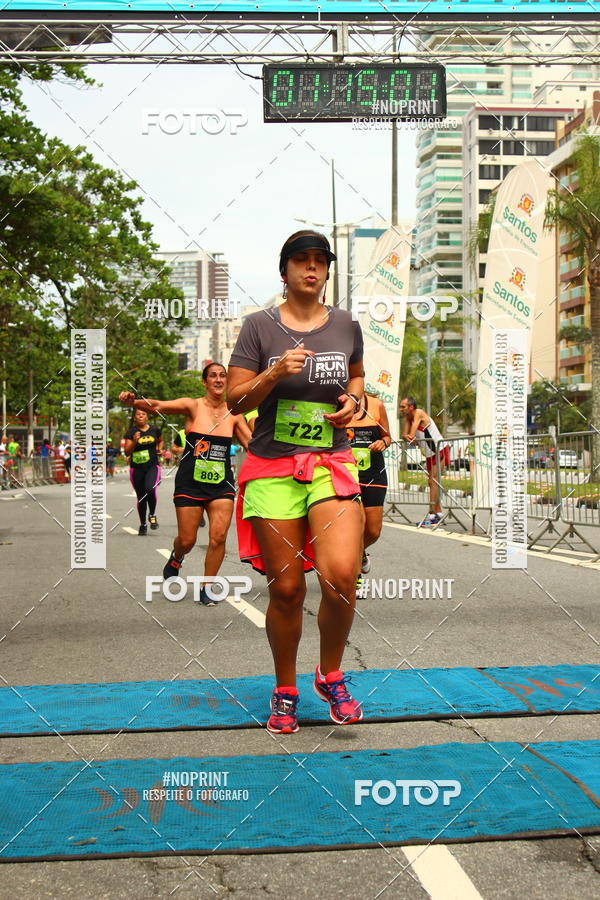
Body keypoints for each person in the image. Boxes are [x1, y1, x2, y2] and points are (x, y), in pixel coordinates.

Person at [227, 229, 365, 735]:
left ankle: (330, 674)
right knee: (286, 589)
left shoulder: (347, 325)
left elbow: (356, 378)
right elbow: (236, 402)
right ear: (283, 271)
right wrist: (272, 374)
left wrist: (357, 404)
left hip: (331, 460)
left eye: (319, 261)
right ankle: (285, 689)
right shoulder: (258, 328)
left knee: (341, 575)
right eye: (301, 261)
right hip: (272, 467)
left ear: (327, 271)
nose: (312, 268)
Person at [119, 362, 250, 606]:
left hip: (221, 483)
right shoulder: (193, 406)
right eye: (213, 376)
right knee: (187, 540)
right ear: (204, 382)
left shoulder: (234, 414)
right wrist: (134, 402)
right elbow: (157, 406)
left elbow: (251, 445)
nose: (219, 380)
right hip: (190, 482)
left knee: (219, 536)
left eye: (223, 376)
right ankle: (177, 558)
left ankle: (207, 587)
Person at [346, 391, 391, 596]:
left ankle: (361, 554)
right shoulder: (334, 404)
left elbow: (387, 436)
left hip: (374, 474)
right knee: (356, 526)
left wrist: (383, 442)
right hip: (346, 476)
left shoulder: (376, 405)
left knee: (373, 530)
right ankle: (355, 579)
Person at [399, 396, 450, 526]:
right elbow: (404, 436)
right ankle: (438, 513)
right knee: (432, 481)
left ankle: (432, 514)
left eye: (403, 407)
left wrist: (410, 437)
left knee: (433, 481)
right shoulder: (408, 418)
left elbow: (410, 435)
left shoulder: (419, 413)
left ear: (411, 407)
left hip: (438, 449)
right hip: (429, 453)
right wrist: (408, 437)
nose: (401, 409)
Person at [123, 409, 163, 535]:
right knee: (141, 498)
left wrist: (159, 449)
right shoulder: (131, 432)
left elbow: (160, 440)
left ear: (147, 417)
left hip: (152, 467)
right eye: (138, 415)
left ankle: (152, 515)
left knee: (150, 489)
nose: (141, 416)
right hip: (137, 469)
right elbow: (127, 452)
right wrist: (134, 441)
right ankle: (143, 525)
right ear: (135, 418)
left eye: (143, 414)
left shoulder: (154, 430)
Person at [173, 427, 205, 528]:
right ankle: (198, 513)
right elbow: (174, 448)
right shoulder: (182, 433)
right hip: (187, 466)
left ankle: (201, 513)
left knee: (203, 489)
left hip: (204, 466)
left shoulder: (207, 429)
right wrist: (182, 449)